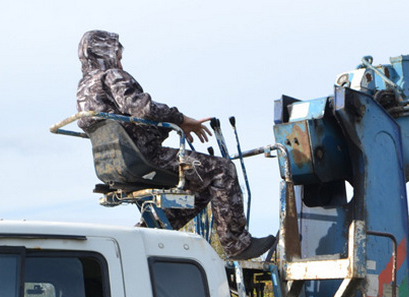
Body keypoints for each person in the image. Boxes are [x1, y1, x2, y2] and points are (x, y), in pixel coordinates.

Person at [76, 30, 276, 260]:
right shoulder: (111, 76)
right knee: (222, 170)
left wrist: (167, 128)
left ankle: (145, 236)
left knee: (201, 187)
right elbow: (142, 108)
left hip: (113, 164)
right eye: (117, 54)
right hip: (143, 157)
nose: (120, 61)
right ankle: (237, 244)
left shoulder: (84, 88)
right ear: (104, 53)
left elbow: (127, 125)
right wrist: (180, 119)